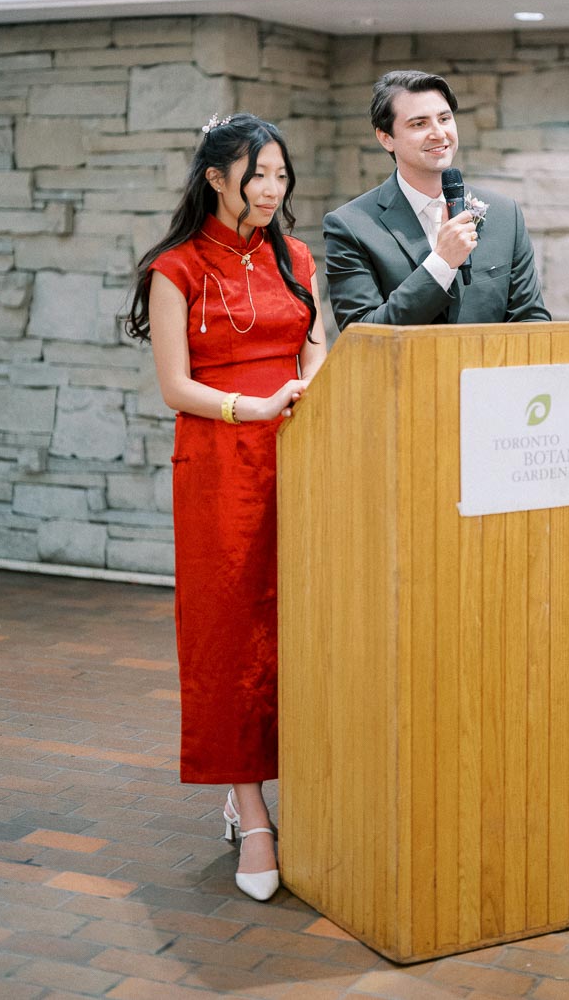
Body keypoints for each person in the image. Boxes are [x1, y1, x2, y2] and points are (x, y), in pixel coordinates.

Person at [125, 112, 327, 902]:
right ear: (216, 178)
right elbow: (175, 386)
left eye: (281, 175)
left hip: (302, 454)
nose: (273, 190)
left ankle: (309, 781)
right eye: (258, 176)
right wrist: (256, 408)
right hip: (220, 461)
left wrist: (310, 381)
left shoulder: (297, 255)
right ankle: (250, 809)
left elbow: (315, 340)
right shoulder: (174, 268)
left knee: (301, 624)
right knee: (230, 633)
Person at [323, 70, 550, 329]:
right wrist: (441, 263)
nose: (439, 133)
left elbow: (531, 321)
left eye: (444, 118)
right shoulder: (351, 226)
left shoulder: (505, 214)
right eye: (419, 124)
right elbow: (362, 334)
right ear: (386, 138)